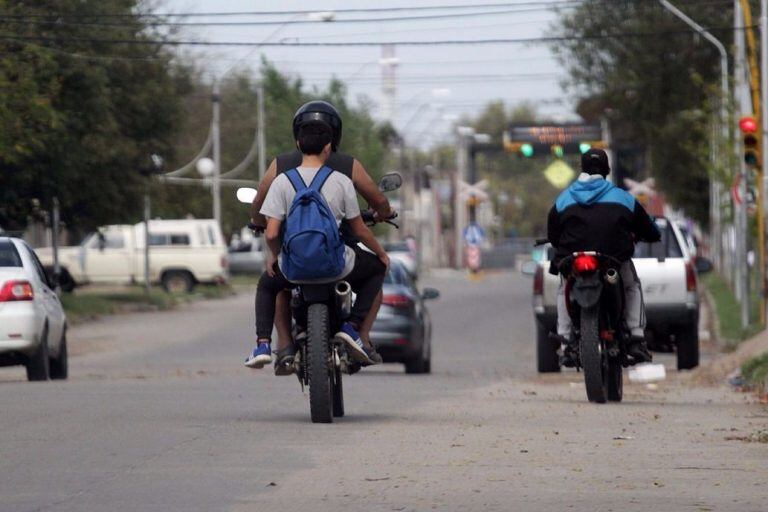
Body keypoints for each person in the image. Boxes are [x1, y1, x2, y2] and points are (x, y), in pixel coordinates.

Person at [248, 101, 393, 372]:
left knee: (270, 284)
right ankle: (357, 333)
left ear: (298, 140)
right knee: (376, 269)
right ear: (330, 141)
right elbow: (367, 216)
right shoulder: (344, 173)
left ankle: (270, 344)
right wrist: (382, 250)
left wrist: (274, 253)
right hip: (335, 260)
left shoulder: (280, 171)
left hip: (293, 263)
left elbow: (262, 214)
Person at [546, 148, 660, 366]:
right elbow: (650, 228)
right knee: (631, 286)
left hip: (574, 260)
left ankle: (565, 340)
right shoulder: (623, 198)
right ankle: (636, 336)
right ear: (607, 170)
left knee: (563, 288)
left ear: (582, 169)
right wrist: (649, 235)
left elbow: (553, 235)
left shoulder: (563, 199)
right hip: (613, 260)